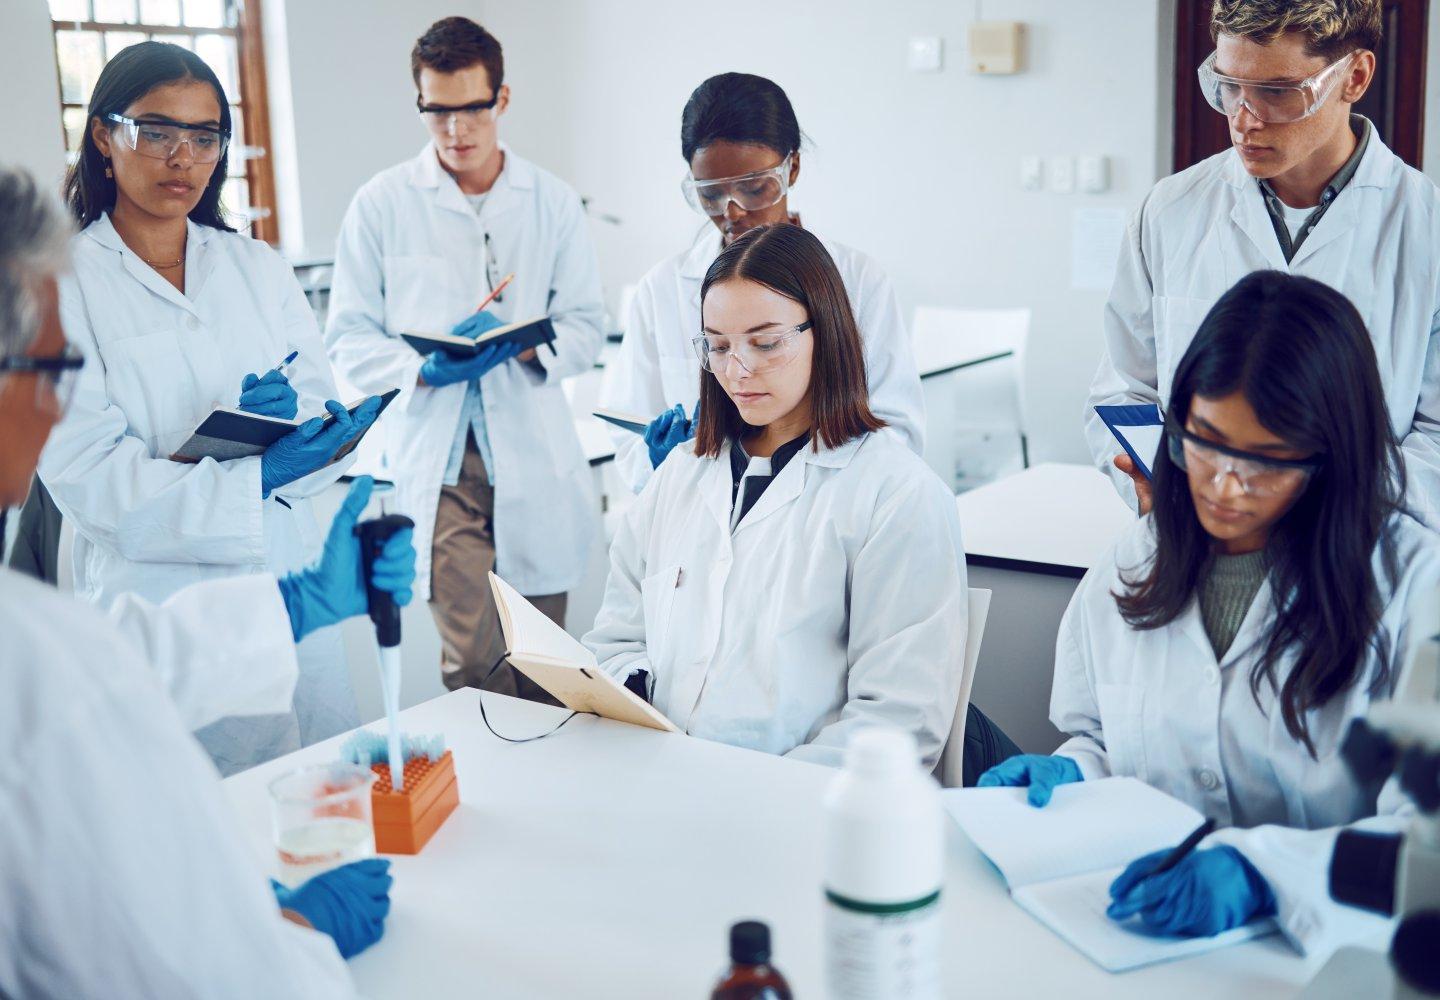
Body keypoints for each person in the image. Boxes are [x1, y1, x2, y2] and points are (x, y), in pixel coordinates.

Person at [0, 166, 405, 997]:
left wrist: (294, 603)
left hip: (262, 565)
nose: (52, 405)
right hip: (155, 564)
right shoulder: (35, 663)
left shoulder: (38, 648)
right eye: (51, 369)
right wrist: (295, 935)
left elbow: (101, 665)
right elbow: (173, 968)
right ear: (107, 139)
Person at [984, 272, 1440, 957]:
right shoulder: (1134, 561)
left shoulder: (1413, 585)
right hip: (1137, 934)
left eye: (1264, 462)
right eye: (1204, 440)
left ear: (1332, 458)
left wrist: (1266, 875)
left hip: (1319, 960)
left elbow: (1427, 838)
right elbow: (1107, 743)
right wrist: (1073, 777)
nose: (1224, 487)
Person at [36, 42, 381, 775]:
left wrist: (311, 434)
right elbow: (91, 481)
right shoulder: (64, 285)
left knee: (324, 803)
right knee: (198, 831)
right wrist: (249, 475)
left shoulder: (256, 266)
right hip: (161, 608)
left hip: (289, 583)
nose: (182, 159)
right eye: (156, 132)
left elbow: (318, 408)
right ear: (103, 135)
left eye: (204, 137)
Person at [584, 225, 966, 768]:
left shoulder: (898, 494)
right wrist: (638, 700)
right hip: (663, 780)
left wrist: (753, 793)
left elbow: (899, 720)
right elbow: (616, 640)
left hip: (799, 811)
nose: (737, 370)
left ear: (828, 333)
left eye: (765, 343)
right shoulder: (679, 474)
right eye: (717, 346)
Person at [327, 16, 604, 697]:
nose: (456, 130)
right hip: (441, 463)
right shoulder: (381, 204)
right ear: (420, 104)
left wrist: (530, 346)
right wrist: (420, 366)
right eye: (438, 112)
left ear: (501, 101)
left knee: (548, 670)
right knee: (475, 670)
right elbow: (348, 336)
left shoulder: (552, 202)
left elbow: (588, 324)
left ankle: (553, 800)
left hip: (532, 453)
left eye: (472, 109)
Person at [1085, 0, 1440, 528]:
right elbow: (1123, 387)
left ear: (1355, 77)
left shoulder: (1426, 229)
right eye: (1229, 87)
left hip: (1360, 560)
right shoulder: (1169, 211)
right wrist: (1157, 480)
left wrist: (1314, 506)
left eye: (1276, 93)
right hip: (1197, 550)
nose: (1243, 120)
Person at [598, 72, 924, 494]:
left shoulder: (858, 280)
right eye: (711, 195)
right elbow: (628, 429)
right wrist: (670, 471)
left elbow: (897, 432)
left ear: (793, 168)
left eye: (754, 189)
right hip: (699, 520)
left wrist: (800, 489)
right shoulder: (662, 287)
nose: (732, 211)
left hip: (823, 516)